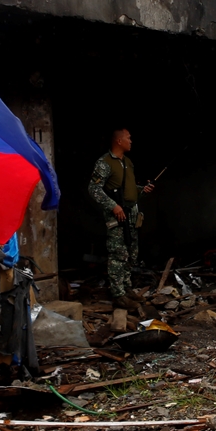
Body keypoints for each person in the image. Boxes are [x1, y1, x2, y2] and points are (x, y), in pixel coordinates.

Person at [88, 128, 154, 310]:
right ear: (119, 141)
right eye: (128, 138)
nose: (131, 141)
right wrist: (113, 206)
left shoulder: (128, 162)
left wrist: (142, 190)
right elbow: (93, 189)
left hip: (131, 214)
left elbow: (128, 190)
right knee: (118, 255)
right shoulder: (104, 163)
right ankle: (118, 295)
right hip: (117, 215)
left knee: (131, 253)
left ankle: (126, 288)